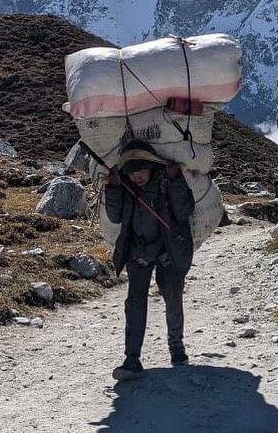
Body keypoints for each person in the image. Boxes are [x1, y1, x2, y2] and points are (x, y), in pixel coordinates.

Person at [104, 139, 195, 381]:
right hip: (137, 252)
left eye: (141, 170)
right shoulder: (124, 186)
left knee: (173, 296)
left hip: (168, 250)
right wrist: (113, 188)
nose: (137, 177)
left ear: (151, 166)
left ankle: (177, 349)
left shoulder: (167, 181)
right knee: (135, 303)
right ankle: (132, 358)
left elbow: (184, 210)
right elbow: (115, 218)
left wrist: (176, 180)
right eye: (132, 172)